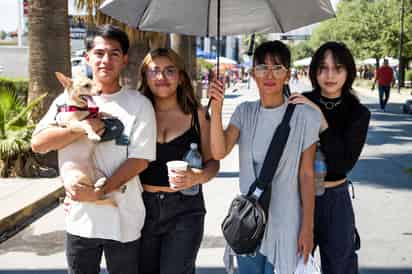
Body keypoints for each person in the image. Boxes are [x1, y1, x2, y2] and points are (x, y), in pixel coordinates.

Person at [31, 24, 156, 274]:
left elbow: (140, 160)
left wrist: (99, 193)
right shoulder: (67, 100)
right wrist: (80, 127)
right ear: (87, 57)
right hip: (81, 221)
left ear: (125, 59)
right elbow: (39, 143)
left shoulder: (138, 105)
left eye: (114, 53)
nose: (105, 60)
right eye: (99, 53)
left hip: (124, 217)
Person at [208, 40, 321, 274]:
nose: (269, 74)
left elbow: (307, 175)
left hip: (287, 222)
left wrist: (308, 228)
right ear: (252, 73)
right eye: (262, 67)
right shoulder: (244, 112)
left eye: (277, 68)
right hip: (248, 222)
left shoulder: (305, 117)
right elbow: (219, 152)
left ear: (287, 75)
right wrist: (216, 109)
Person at [289, 41, 370, 274]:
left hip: (335, 198)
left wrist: (320, 120)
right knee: (294, 265)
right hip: (298, 196)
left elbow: (343, 164)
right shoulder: (300, 102)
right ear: (314, 72)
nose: (330, 75)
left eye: (338, 68)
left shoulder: (358, 113)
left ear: (349, 72)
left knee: (340, 266)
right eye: (323, 68)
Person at [138, 48, 219, 274]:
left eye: (170, 71)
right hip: (141, 208)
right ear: (145, 76)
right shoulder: (136, 113)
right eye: (154, 71)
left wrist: (199, 176)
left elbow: (213, 162)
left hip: (185, 211)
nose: (162, 77)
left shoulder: (198, 115)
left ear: (181, 77)